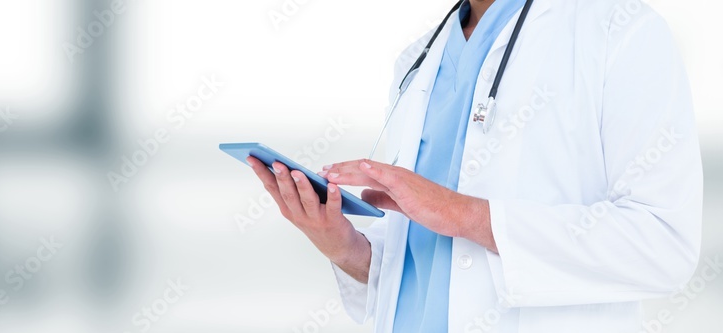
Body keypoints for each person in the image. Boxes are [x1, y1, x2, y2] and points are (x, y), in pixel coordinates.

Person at [245, 0, 703, 332]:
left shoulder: (620, 30)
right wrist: (342, 246)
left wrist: (463, 214)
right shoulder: (418, 60)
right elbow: (417, 273)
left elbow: (664, 245)